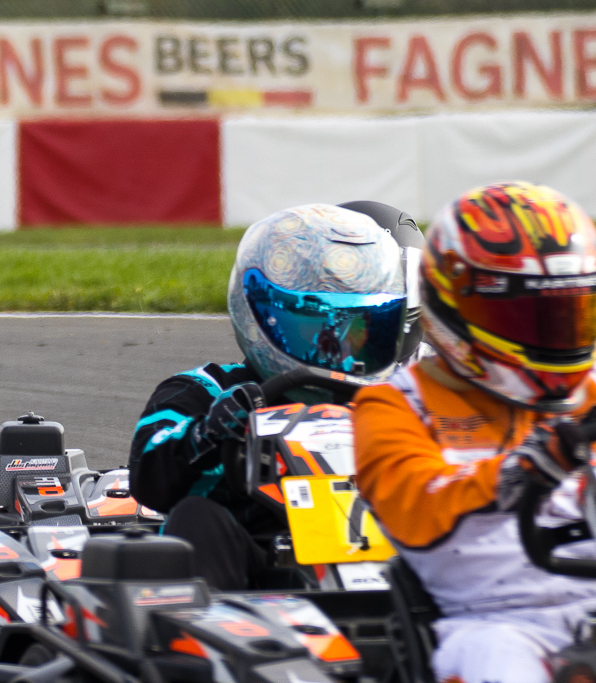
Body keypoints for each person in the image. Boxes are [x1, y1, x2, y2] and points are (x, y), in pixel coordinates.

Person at [351, 181, 596, 683]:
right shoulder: (395, 405)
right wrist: (526, 469)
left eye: (570, 313)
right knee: (509, 676)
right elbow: (416, 508)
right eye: (533, 318)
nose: (557, 335)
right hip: (495, 621)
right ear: (459, 307)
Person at [128, 201, 425, 592]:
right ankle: (199, 624)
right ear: (259, 316)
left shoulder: (401, 402)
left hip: (392, 572)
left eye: (357, 329)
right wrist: (210, 434)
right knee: (195, 516)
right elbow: (149, 475)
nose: (336, 349)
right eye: (314, 328)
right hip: (259, 581)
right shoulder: (207, 390)